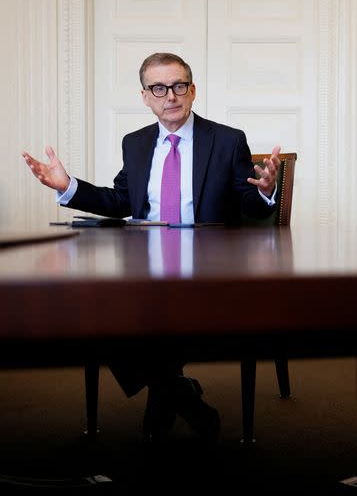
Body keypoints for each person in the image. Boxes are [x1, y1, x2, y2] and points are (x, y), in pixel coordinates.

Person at [21, 52, 282, 444]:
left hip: (208, 266)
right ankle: (181, 393)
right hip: (145, 263)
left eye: (179, 86)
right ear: (145, 96)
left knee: (160, 314)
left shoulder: (227, 140)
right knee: (98, 310)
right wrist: (67, 186)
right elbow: (120, 201)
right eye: (158, 88)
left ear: (193, 91)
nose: (170, 96)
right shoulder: (136, 143)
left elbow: (247, 202)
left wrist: (264, 191)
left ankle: (168, 392)